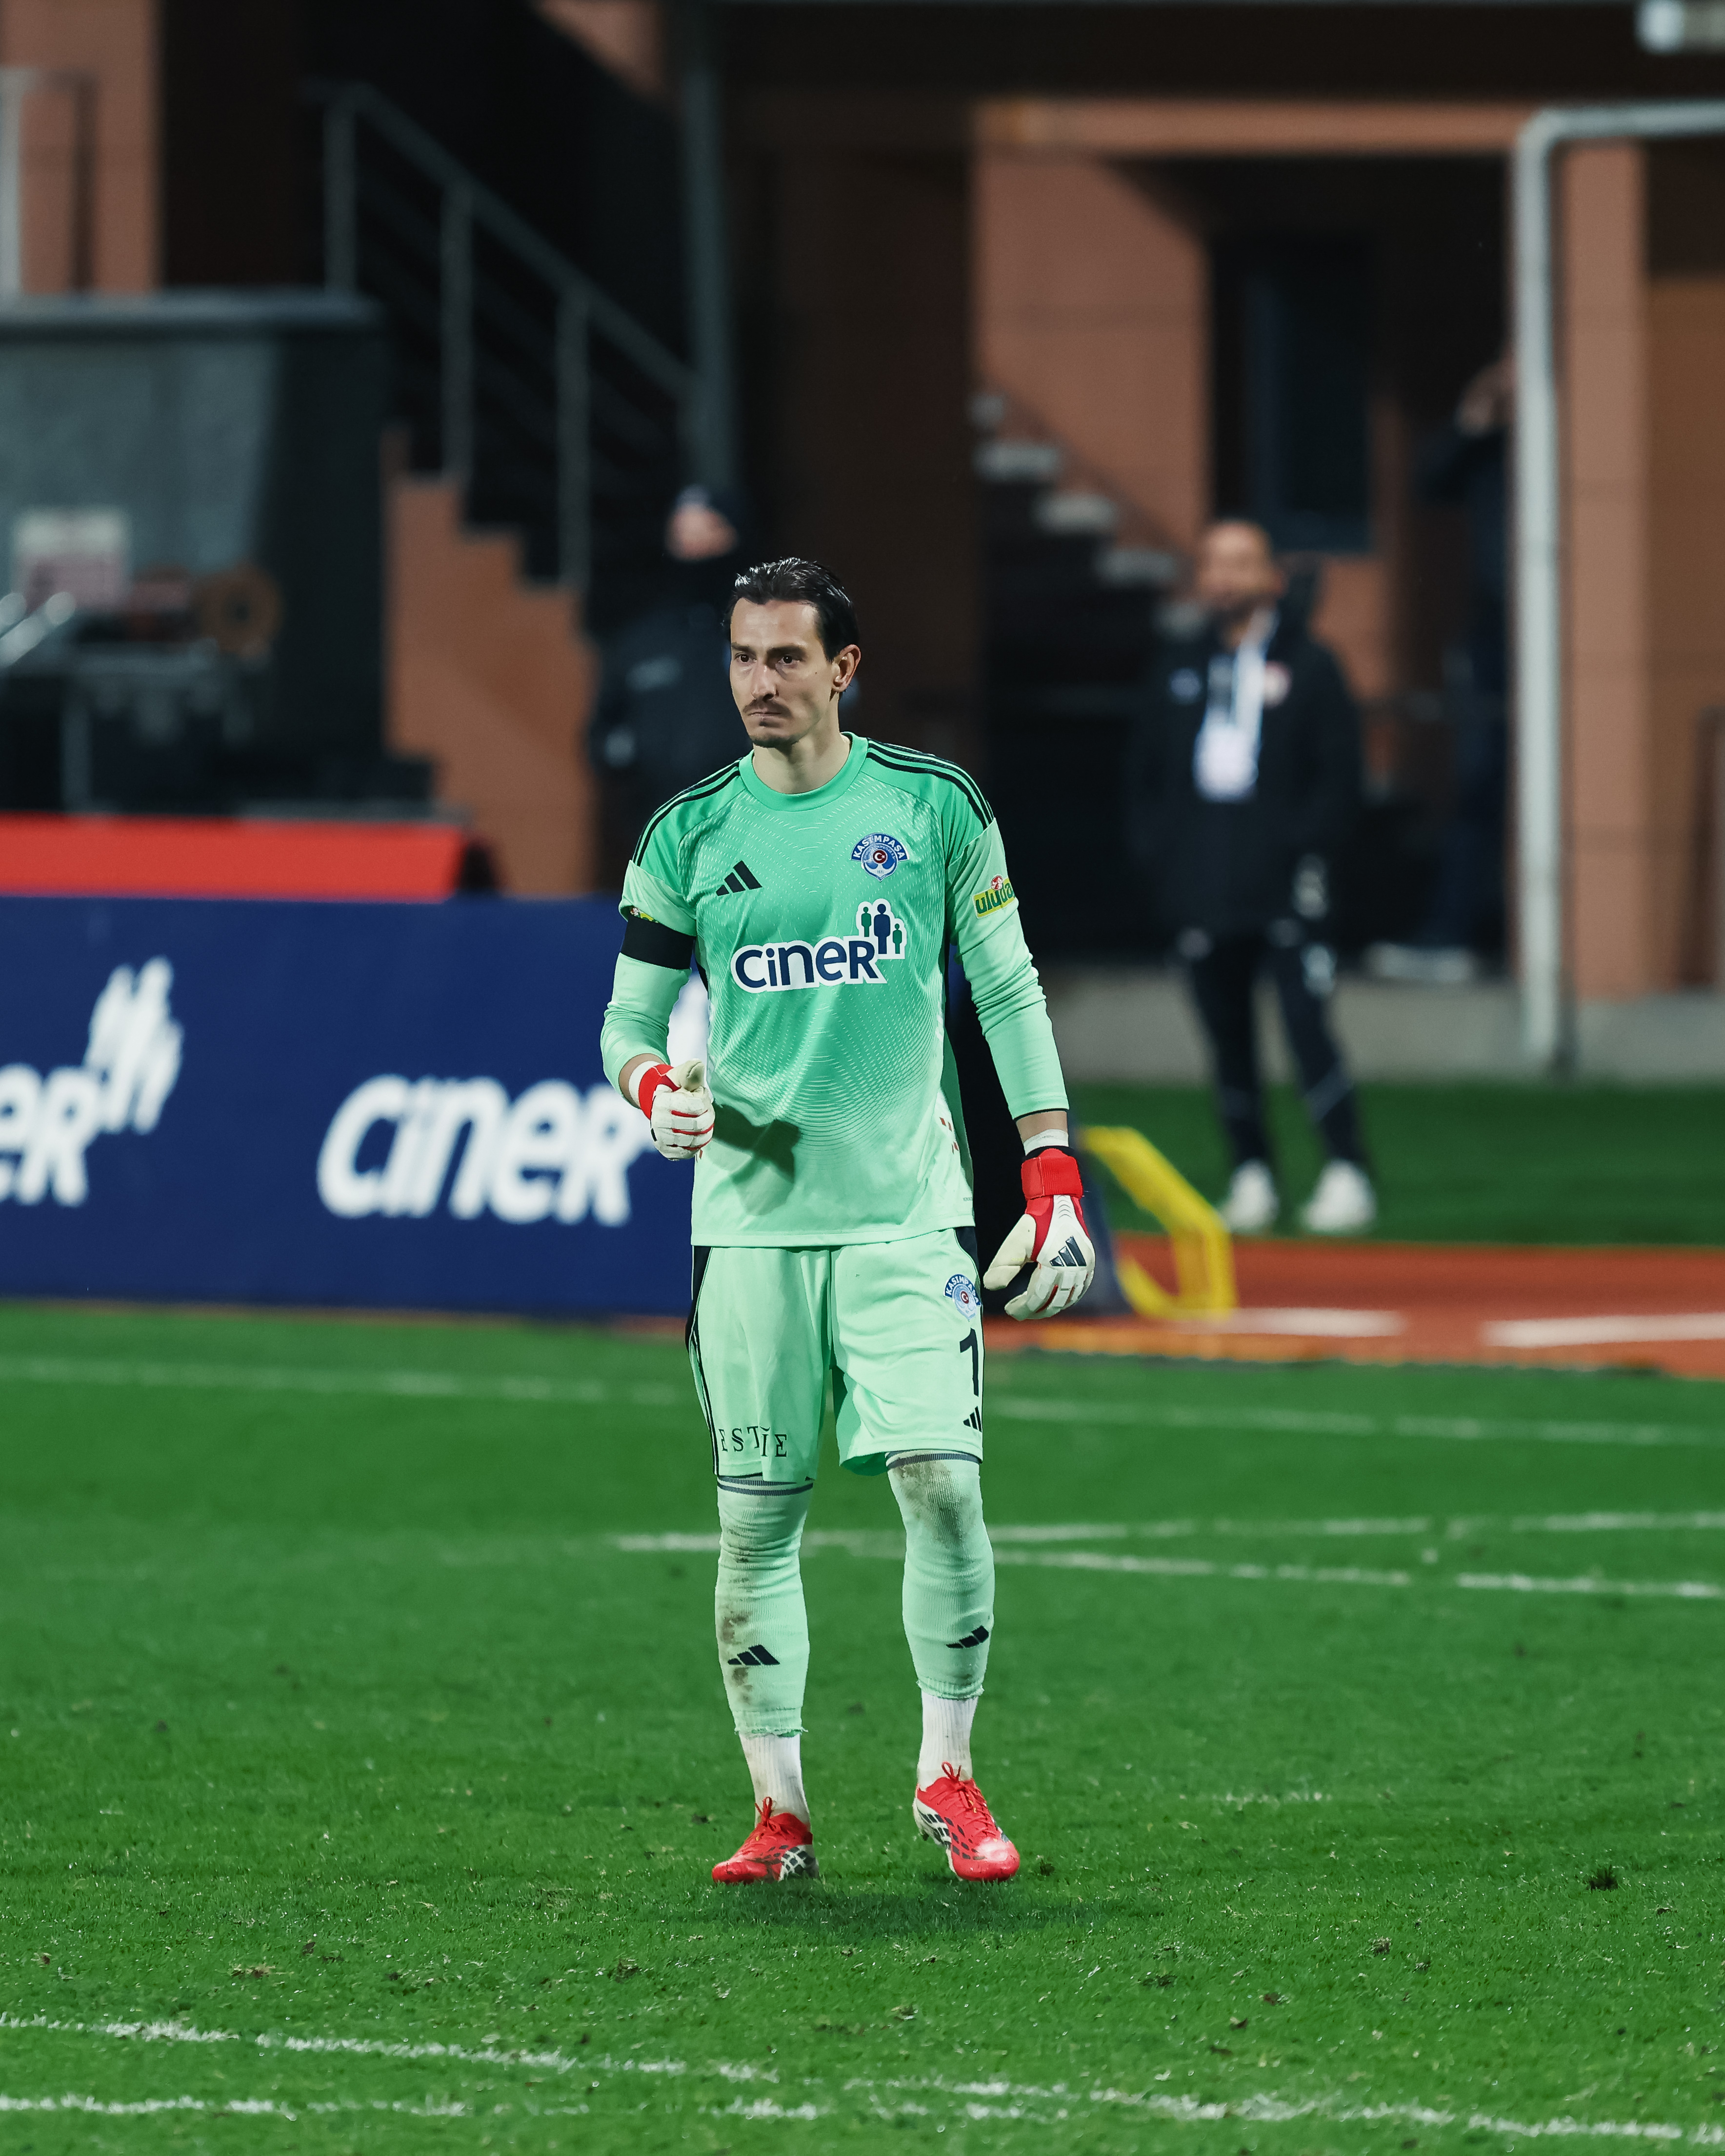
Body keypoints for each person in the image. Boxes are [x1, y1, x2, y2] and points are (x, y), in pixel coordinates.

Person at [600, 557, 1094, 1884]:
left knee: (945, 1486)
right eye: (742, 656)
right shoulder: (686, 834)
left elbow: (1008, 990)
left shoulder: (932, 807)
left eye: (786, 657)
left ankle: (948, 1776)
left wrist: (1050, 1168)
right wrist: (655, 1091)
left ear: (843, 668)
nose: (759, 682)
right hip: (749, 1233)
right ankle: (780, 1812)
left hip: (905, 1218)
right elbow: (628, 1022)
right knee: (757, 1522)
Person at [1127, 520, 1374, 1236]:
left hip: (1285, 882)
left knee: (1305, 1024)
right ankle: (1251, 1172)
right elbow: (1146, 775)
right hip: (1204, 885)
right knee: (1226, 1036)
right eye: (1213, 564)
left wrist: (1304, 848)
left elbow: (1339, 776)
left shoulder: (1311, 665)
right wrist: (1164, 860)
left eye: (1240, 563)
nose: (1225, 578)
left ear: (1271, 576)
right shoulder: (1179, 666)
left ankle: (1347, 1169)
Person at [1370, 355, 1513, 982]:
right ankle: (1454, 931)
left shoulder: (1573, 432)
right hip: (1493, 637)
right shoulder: (1489, 445)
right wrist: (1472, 419)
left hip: (1565, 637)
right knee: (1477, 783)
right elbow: (1429, 482)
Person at [589, 485, 754, 865]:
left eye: (708, 533)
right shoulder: (642, 642)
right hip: (662, 839)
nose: (694, 549)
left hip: (755, 832)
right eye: (682, 537)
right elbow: (601, 736)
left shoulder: (771, 632)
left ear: (735, 538)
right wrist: (639, 751)